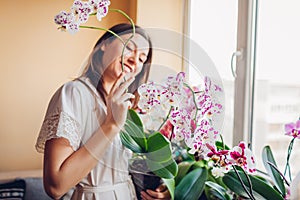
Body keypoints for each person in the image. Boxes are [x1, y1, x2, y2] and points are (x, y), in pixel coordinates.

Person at [35, 23, 170, 200]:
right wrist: (111, 125)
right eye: (129, 47)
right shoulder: (74, 94)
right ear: (104, 44)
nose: (133, 61)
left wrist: (164, 190)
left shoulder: (129, 108)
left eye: (141, 59)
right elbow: (56, 186)